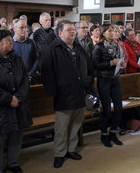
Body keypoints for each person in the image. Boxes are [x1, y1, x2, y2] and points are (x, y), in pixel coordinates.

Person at [41, 20, 94, 168]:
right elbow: (46, 72)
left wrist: (88, 82)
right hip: (63, 93)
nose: (73, 32)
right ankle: (59, 153)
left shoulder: (79, 47)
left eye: (73, 30)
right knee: (62, 127)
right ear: (60, 33)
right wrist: (53, 92)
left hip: (80, 91)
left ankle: (71, 149)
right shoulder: (52, 49)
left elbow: (89, 66)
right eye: (69, 30)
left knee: (76, 123)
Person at [0, 29, 33, 173]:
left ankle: (13, 163)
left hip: (17, 104)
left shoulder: (16, 59)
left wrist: (18, 98)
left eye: (11, 40)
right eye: (8, 40)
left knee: (16, 135)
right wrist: (9, 99)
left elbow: (24, 80)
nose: (11, 43)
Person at [92, 24, 126, 147]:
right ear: (103, 33)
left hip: (115, 79)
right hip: (104, 80)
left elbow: (119, 59)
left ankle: (113, 133)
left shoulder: (117, 45)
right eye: (109, 30)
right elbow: (95, 64)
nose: (112, 32)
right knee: (106, 109)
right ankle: (104, 135)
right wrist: (111, 62)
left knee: (118, 108)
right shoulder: (98, 47)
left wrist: (120, 64)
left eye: (113, 30)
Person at [12, 19, 39, 85]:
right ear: (14, 29)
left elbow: (36, 59)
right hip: (14, 80)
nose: (24, 30)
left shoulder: (31, 42)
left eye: (25, 27)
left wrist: (30, 74)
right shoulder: (10, 44)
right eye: (21, 28)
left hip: (29, 79)